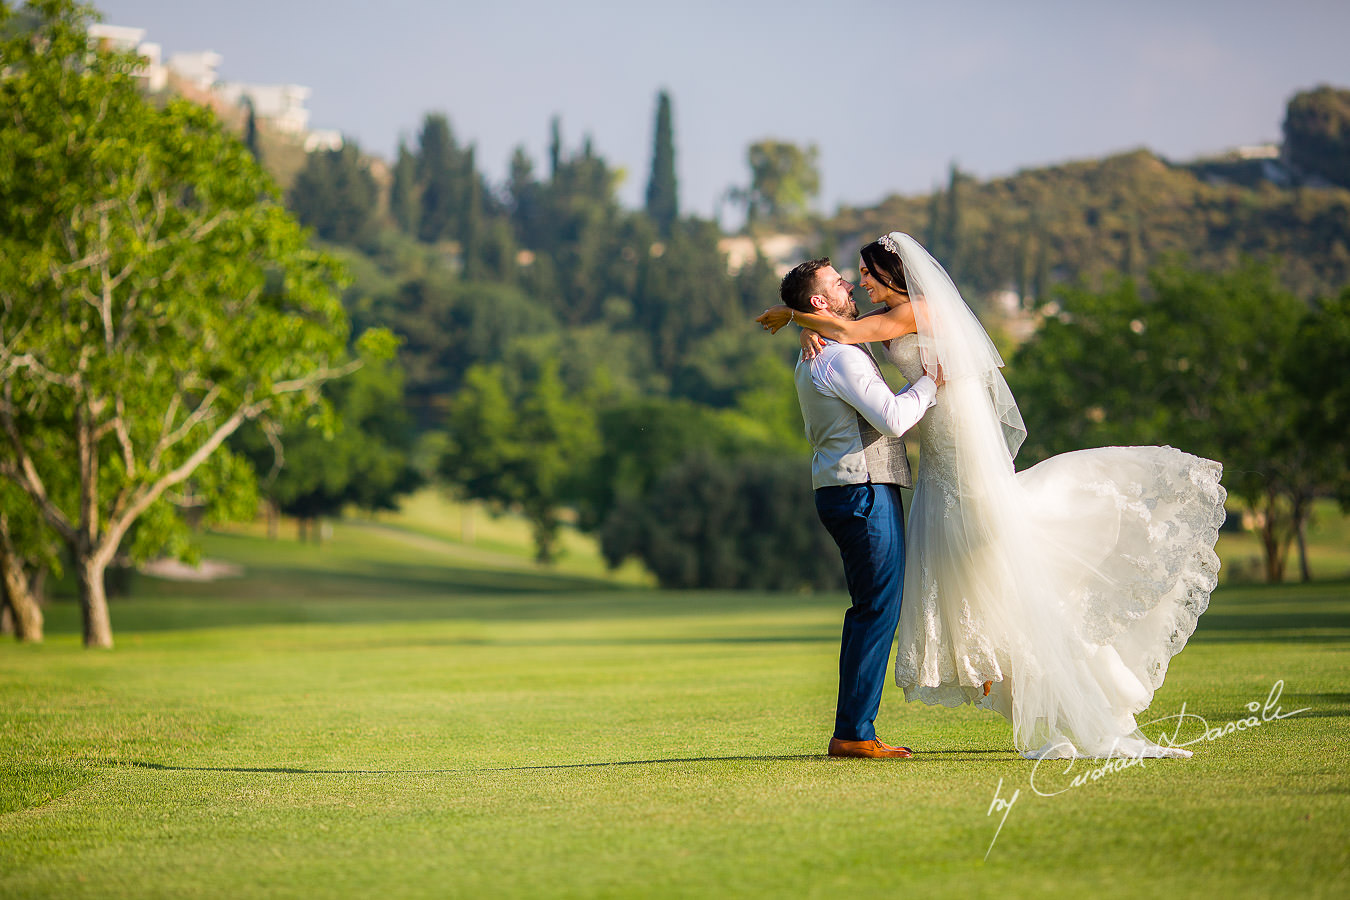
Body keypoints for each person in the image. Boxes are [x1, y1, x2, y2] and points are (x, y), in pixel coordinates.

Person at [757, 233, 1226, 759]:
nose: (857, 282)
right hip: (927, 460)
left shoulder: (916, 312)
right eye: (848, 279)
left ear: (892, 272)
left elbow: (845, 333)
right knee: (956, 581)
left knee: (995, 576)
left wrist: (797, 318)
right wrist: (801, 322)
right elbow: (845, 338)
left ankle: (1018, 693)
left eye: (864, 273)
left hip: (956, 448)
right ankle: (927, 698)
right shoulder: (854, 335)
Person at [777, 257, 939, 759]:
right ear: (820, 301)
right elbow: (892, 419)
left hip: (846, 489)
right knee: (876, 609)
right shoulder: (840, 358)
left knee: (871, 607)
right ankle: (853, 733)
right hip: (862, 490)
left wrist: (798, 323)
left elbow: (821, 323)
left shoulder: (823, 348)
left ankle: (854, 727)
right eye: (837, 283)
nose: (850, 284)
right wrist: (934, 383)